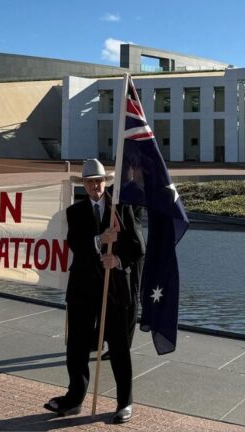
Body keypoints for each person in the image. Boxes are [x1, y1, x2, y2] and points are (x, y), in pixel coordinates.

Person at [44, 159, 145, 424]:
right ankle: (74, 398)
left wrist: (118, 260)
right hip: (83, 289)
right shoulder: (74, 212)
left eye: (98, 181)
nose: (95, 186)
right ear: (84, 185)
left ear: (105, 181)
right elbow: (76, 245)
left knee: (119, 347)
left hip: (114, 290)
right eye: (90, 182)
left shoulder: (121, 208)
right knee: (77, 346)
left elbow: (138, 246)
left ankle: (125, 402)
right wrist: (101, 240)